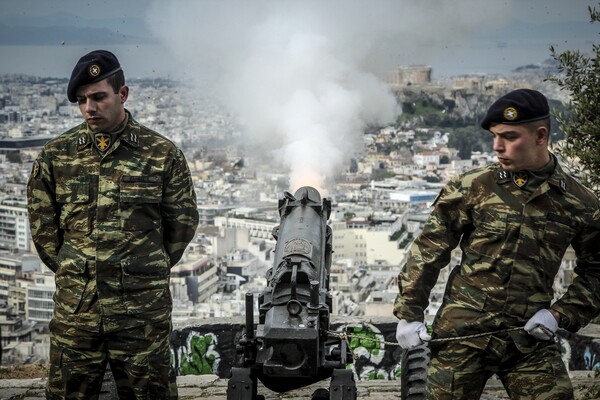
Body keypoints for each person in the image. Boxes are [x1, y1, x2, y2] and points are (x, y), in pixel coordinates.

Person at [393, 88, 600, 399]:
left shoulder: (578, 202)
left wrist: (560, 315)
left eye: (509, 136)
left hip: (527, 339)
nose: (497, 147)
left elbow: (598, 271)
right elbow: (429, 249)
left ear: (540, 136)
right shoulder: (474, 187)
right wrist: (410, 313)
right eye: (494, 136)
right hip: (462, 335)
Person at [27, 50, 199, 399]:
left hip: (141, 315)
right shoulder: (56, 156)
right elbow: (44, 232)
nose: (89, 107)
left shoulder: (161, 155)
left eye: (99, 97)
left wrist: (143, 269)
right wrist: (76, 271)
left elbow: (180, 226)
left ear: (122, 94)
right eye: (82, 100)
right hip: (78, 314)